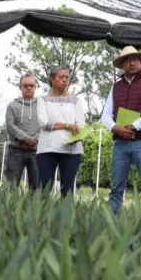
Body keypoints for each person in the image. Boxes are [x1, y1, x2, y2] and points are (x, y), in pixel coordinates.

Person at [100, 46, 141, 215]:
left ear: (140, 61)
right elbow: (105, 115)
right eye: (127, 60)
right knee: (116, 188)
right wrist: (115, 127)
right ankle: (112, 224)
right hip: (120, 143)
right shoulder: (116, 86)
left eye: (134, 59)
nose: (131, 63)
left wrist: (134, 126)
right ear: (122, 65)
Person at [36, 67, 85, 198]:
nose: (65, 80)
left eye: (67, 78)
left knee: (67, 191)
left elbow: (80, 124)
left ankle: (65, 217)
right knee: (44, 189)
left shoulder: (75, 101)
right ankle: (42, 217)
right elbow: (43, 123)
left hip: (71, 150)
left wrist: (76, 136)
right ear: (52, 79)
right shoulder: (42, 100)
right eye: (61, 77)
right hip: (47, 149)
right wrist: (68, 125)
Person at [5, 74, 40, 189]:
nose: (29, 88)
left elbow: (45, 126)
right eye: (26, 86)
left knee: (36, 188)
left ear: (35, 87)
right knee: (11, 187)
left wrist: (34, 140)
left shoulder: (42, 106)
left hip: (36, 151)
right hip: (15, 150)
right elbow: (10, 126)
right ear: (20, 87)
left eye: (32, 85)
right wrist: (26, 139)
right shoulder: (12, 105)